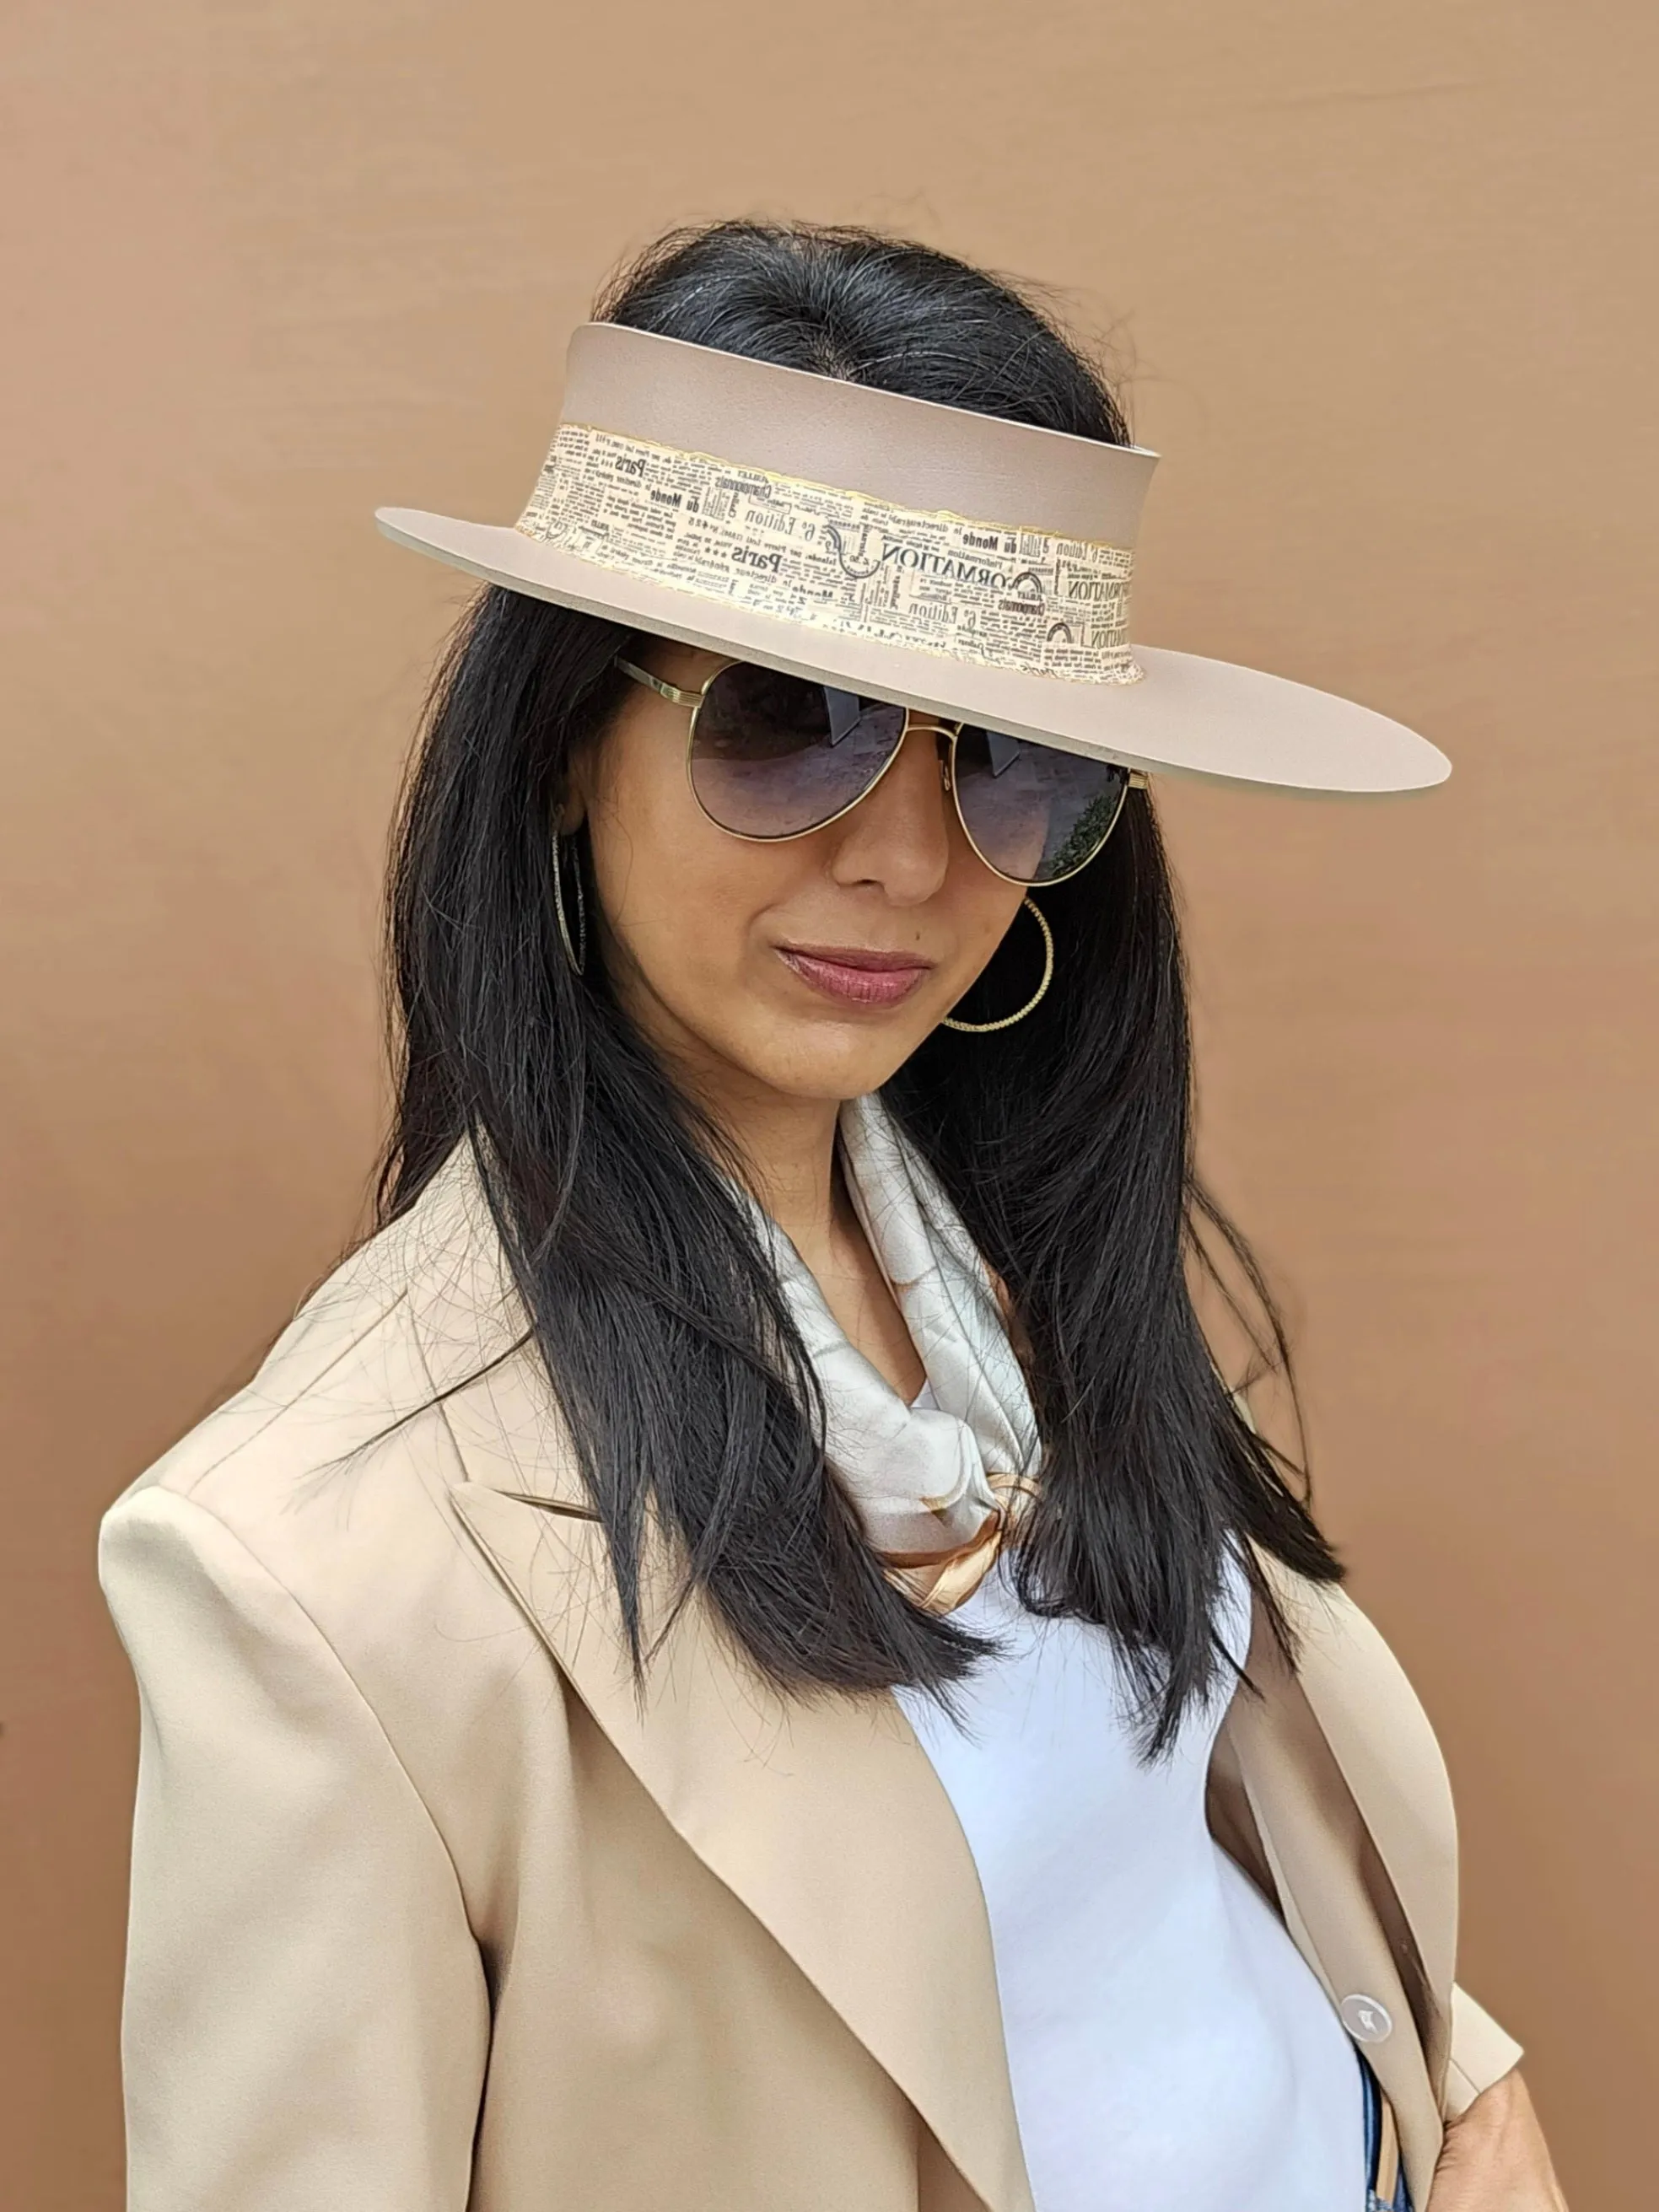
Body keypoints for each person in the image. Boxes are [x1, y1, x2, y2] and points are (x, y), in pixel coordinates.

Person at [100, 220, 1568, 2212]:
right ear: (560, 751)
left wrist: (1459, 2087)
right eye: (782, 721)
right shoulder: (315, 1570)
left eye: (1011, 759)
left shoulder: (1010, 1248)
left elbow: (1175, 1842)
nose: (904, 856)